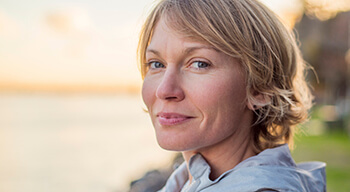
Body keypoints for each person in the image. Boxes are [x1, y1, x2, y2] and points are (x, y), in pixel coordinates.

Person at [137, 0, 326, 191]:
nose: (164, 90)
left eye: (199, 64)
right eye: (156, 64)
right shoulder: (186, 181)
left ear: (260, 88)